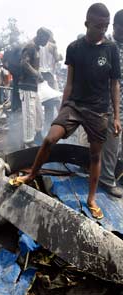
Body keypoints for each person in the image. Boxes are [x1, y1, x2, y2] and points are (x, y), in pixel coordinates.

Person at [15, 3, 121, 219]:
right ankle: (31, 174)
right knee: (49, 139)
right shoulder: (74, 48)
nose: (102, 30)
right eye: (98, 26)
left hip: (99, 111)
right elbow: (70, 83)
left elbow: (114, 84)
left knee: (95, 155)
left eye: (105, 26)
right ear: (87, 23)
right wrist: (63, 109)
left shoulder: (111, 50)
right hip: (74, 105)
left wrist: (117, 116)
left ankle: (91, 199)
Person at [99, 10, 123, 197]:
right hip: (103, 104)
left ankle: (112, 175)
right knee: (107, 144)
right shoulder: (105, 46)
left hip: (120, 104)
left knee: (115, 146)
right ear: (115, 27)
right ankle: (106, 180)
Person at [18, 27, 51, 148]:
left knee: (38, 113)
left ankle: (37, 134)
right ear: (40, 35)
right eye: (46, 39)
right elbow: (24, 63)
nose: (46, 42)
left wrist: (38, 74)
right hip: (27, 87)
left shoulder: (36, 48)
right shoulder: (31, 46)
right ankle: (28, 142)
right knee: (29, 115)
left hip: (33, 86)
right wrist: (36, 73)